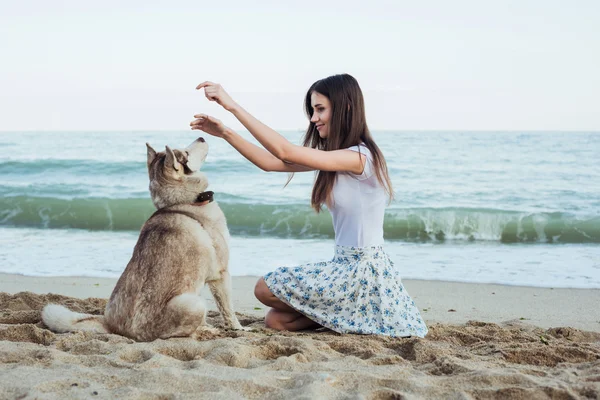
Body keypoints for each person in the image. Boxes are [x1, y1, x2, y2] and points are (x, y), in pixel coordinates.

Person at [190, 74, 428, 338]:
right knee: (277, 320)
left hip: (363, 272)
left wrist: (230, 104)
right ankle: (350, 316)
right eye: (312, 110)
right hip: (343, 268)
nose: (313, 118)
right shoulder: (335, 159)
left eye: (320, 109)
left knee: (263, 288)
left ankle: (354, 313)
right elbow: (270, 163)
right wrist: (225, 133)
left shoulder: (361, 157)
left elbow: (285, 152)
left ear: (346, 108)